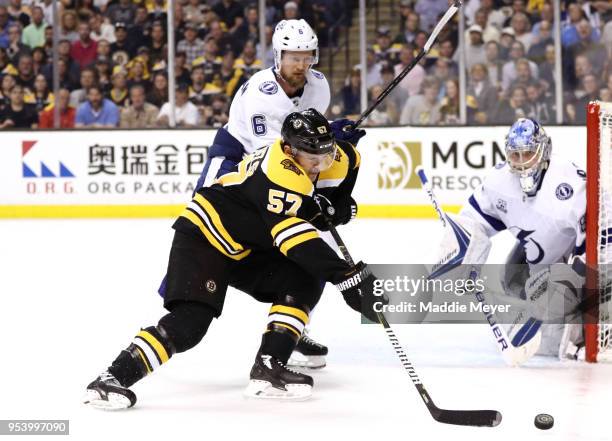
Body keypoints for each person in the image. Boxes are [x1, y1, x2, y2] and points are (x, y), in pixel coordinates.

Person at [83, 109, 380, 409]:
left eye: (326, 157)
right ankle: (111, 379)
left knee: (305, 279)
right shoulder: (279, 172)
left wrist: (338, 204)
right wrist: (346, 277)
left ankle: (268, 367)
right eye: (312, 158)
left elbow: (351, 162)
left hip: (246, 244)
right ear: (289, 150)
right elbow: (294, 240)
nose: (319, 166)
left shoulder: (332, 155)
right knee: (190, 324)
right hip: (205, 236)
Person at [172, 19, 365, 369]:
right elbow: (276, 159)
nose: (302, 65)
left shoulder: (318, 86)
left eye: (308, 57)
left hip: (281, 161)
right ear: (278, 56)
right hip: (236, 160)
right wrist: (331, 140)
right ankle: (186, 299)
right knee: (206, 232)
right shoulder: (262, 92)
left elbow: (304, 148)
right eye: (294, 57)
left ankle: (291, 324)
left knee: (302, 249)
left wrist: (332, 139)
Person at [451, 118, 587, 362]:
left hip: (569, 264)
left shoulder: (572, 185)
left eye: (528, 154)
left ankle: (582, 331)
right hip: (537, 262)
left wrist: (571, 281)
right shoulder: (498, 180)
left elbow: (594, 249)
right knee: (512, 281)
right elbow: (474, 222)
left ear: (544, 151)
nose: (522, 163)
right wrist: (464, 254)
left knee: (558, 344)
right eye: (516, 155)